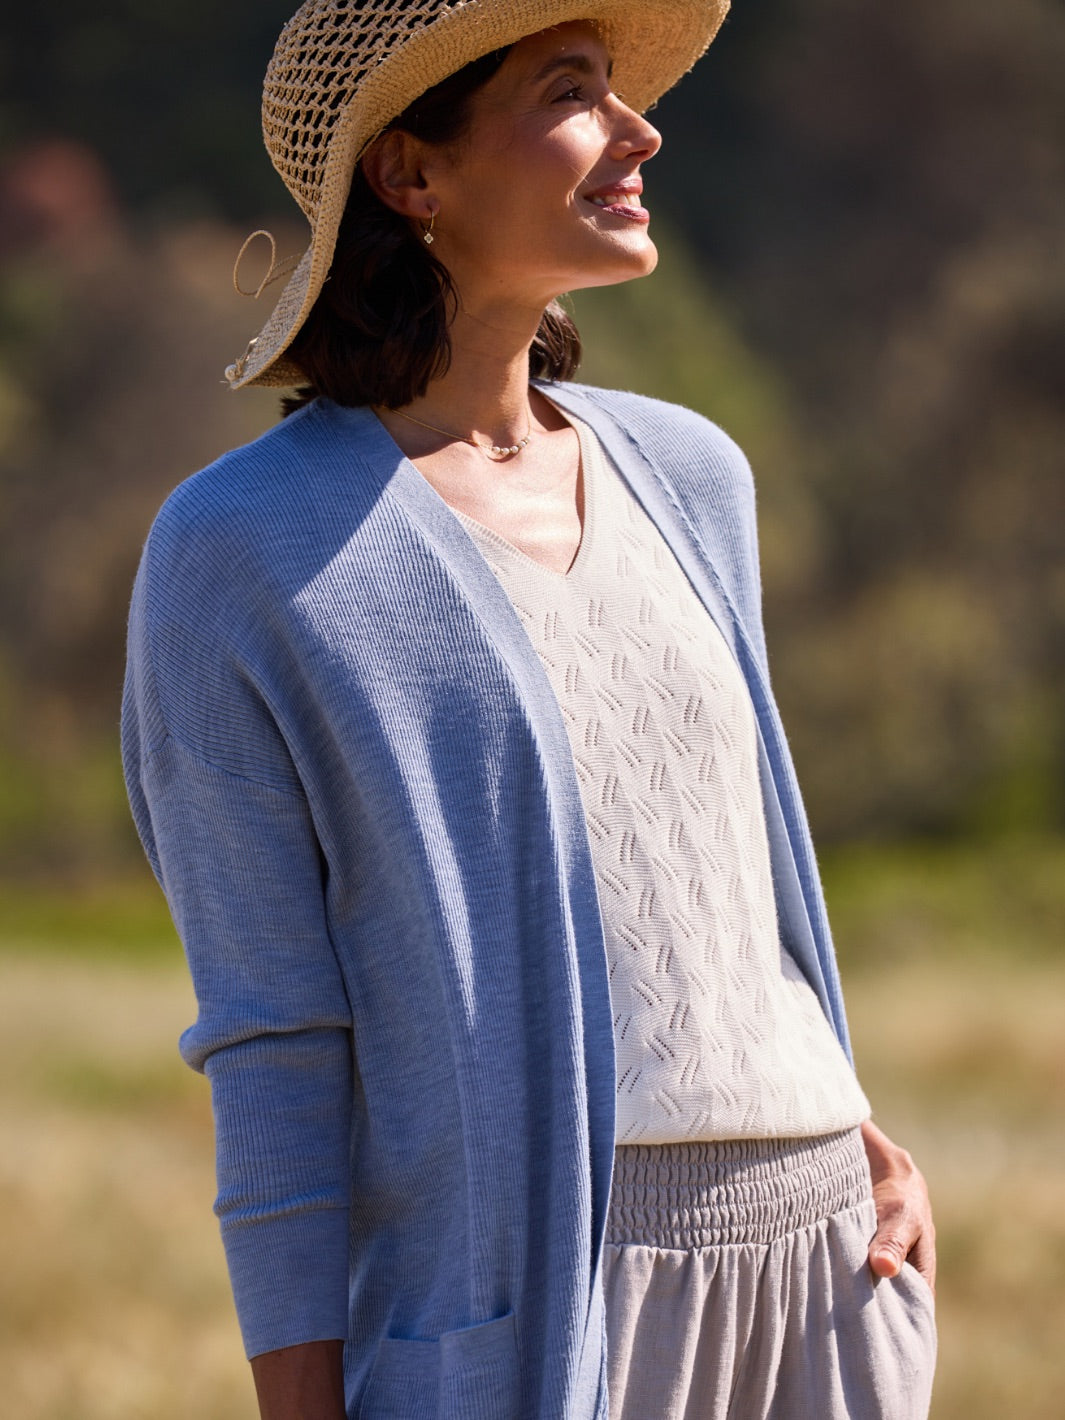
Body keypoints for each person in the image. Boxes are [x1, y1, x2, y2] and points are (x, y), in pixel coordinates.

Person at [122, 2, 937, 1418]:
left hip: (828, 1272)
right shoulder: (241, 550)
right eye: (573, 93)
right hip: (546, 1310)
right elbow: (274, 1039)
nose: (639, 130)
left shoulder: (691, 476)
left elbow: (727, 885)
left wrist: (851, 1124)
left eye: (619, 91)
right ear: (411, 175)